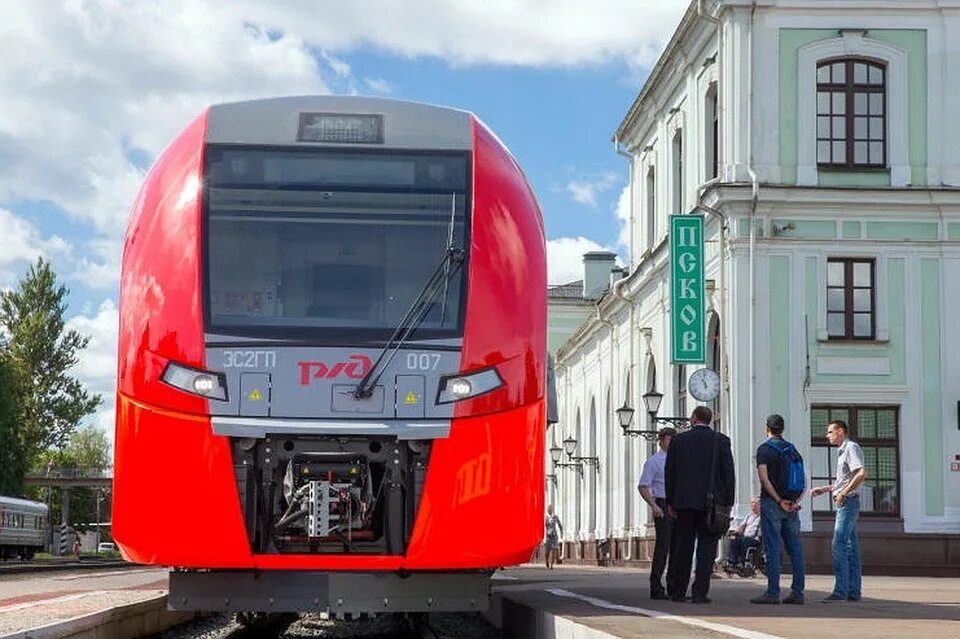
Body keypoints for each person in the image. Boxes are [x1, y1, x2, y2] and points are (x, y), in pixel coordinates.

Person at [665, 405, 735, 604]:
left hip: (684, 503)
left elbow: (670, 473)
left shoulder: (679, 441)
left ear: (694, 418)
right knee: (707, 547)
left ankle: (678, 591)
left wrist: (670, 501)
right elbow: (728, 473)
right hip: (712, 504)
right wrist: (728, 502)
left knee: (683, 546)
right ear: (709, 420)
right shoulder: (720, 441)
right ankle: (700, 593)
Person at [750, 414, 806, 605]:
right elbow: (802, 479)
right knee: (795, 549)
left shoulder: (764, 450)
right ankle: (798, 593)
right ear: (782, 429)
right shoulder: (792, 449)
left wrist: (778, 500)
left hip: (773, 504)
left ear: (767, 428)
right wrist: (794, 500)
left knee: (773, 549)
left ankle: (773, 593)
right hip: (792, 505)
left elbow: (764, 479)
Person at [811, 419, 867, 602]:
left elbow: (861, 473)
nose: (827, 436)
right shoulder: (843, 451)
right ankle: (853, 591)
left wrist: (843, 493)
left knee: (838, 545)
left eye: (830, 432)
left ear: (840, 432)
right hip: (847, 501)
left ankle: (840, 591)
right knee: (851, 549)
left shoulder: (851, 448)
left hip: (848, 503)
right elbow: (846, 479)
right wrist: (827, 489)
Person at [638, 426, 677, 600]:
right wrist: (654, 505)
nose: (672, 442)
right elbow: (643, 485)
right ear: (661, 441)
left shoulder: (678, 460)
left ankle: (674, 585)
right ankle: (656, 586)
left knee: (677, 547)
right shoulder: (653, 462)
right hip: (662, 504)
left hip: (677, 505)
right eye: (669, 439)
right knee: (663, 546)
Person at [725, 497, 761, 570]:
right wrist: (735, 532)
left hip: (756, 539)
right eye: (752, 503)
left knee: (744, 540)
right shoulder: (749, 515)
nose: (753, 505)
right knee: (733, 539)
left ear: (760, 505)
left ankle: (742, 562)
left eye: (755, 503)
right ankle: (732, 562)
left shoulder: (763, 517)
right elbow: (742, 526)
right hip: (745, 537)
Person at [544, 504, 563, 569]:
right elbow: (542, 527)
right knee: (547, 551)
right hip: (548, 536)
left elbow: (560, 525)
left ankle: (552, 565)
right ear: (547, 510)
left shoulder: (555, 517)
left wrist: (561, 533)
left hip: (554, 536)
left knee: (554, 550)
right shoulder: (546, 518)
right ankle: (547, 561)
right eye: (549, 509)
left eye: (551, 509)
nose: (550, 510)